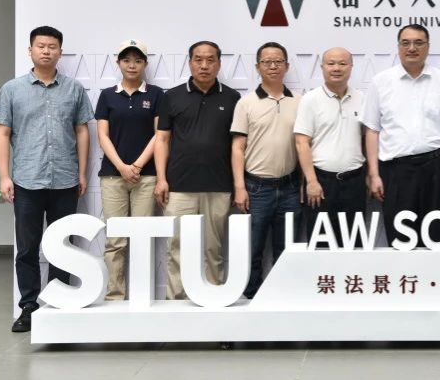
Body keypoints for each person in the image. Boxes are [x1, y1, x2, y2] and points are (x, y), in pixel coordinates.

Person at [0, 26, 94, 332]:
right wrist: (4, 176)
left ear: (60, 51)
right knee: (27, 248)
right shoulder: (12, 89)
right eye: (41, 46)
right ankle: (29, 307)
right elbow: (3, 133)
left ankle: (59, 303)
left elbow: (82, 131)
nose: (46, 51)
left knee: (63, 245)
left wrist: (81, 172)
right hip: (26, 180)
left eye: (52, 46)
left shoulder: (74, 89)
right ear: (30, 50)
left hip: (65, 180)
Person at [361, 24, 440, 247]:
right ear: (398, 47)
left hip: (435, 168)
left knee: (434, 238)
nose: (412, 48)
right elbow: (372, 130)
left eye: (418, 43)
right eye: (406, 43)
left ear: (428, 47)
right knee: (400, 241)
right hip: (395, 171)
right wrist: (374, 174)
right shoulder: (381, 81)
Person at [154, 41, 240, 300]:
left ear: (219, 64)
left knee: (213, 250)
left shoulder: (232, 98)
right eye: (198, 59)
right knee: (178, 249)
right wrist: (161, 179)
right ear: (190, 62)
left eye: (210, 60)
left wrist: (237, 186)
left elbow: (237, 146)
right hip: (179, 186)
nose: (204, 65)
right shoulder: (172, 96)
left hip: (218, 186)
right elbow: (162, 139)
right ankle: (176, 304)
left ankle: (213, 301)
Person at [94, 39, 162, 301]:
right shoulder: (107, 95)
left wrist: (137, 165)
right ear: (118, 62)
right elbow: (103, 135)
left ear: (145, 64)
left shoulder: (156, 94)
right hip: (113, 176)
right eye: (126, 60)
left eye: (137, 60)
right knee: (116, 239)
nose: (132, 65)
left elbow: (159, 135)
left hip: (146, 177)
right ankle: (115, 297)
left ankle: (142, 297)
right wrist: (122, 167)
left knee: (143, 238)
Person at [231, 42, 301, 298]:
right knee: (254, 247)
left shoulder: (300, 101)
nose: (273, 66)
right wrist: (240, 187)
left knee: (288, 248)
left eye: (278, 61)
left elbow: (305, 144)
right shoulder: (246, 103)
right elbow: (238, 147)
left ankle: (283, 294)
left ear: (287, 66)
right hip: (257, 187)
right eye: (267, 61)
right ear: (257, 67)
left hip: (290, 186)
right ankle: (252, 296)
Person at [294, 47, 366, 247]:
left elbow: (367, 138)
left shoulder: (362, 99)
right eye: (331, 63)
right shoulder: (310, 99)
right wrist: (311, 181)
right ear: (322, 67)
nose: (336, 68)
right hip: (321, 182)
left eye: (342, 63)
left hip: (355, 180)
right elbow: (301, 142)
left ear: (351, 67)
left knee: (355, 243)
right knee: (321, 244)